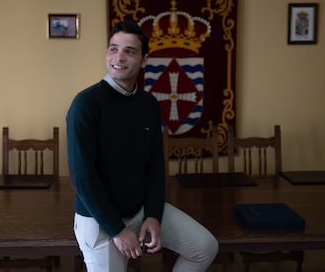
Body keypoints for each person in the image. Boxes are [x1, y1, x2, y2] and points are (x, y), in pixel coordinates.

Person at [66, 20, 218, 272]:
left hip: (139, 211)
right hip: (99, 220)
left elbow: (156, 167)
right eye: (113, 49)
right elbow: (82, 178)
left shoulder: (148, 104)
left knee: (205, 248)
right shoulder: (86, 104)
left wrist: (154, 216)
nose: (119, 57)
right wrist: (117, 229)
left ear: (144, 60)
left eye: (129, 51)